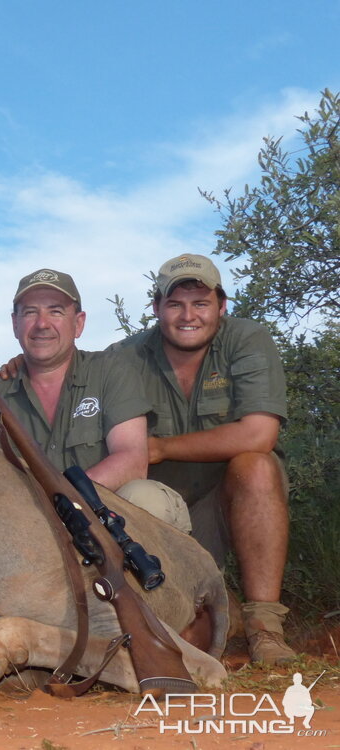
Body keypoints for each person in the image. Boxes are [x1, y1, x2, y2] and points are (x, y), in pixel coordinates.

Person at [109, 253, 295, 665]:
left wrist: (158, 448)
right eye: (174, 304)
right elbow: (70, 378)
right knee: (131, 498)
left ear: (222, 305)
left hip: (232, 508)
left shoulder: (247, 339)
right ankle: (187, 616)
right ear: (156, 308)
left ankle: (266, 628)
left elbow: (259, 434)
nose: (187, 315)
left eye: (200, 302)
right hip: (161, 517)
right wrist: (20, 369)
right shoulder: (123, 357)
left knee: (257, 466)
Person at [0, 269, 190, 531]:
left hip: (108, 519)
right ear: (15, 324)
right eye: (30, 312)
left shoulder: (111, 372)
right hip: (27, 530)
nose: (42, 323)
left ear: (79, 323)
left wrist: (62, 499)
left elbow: (132, 460)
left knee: (147, 498)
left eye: (56, 311)